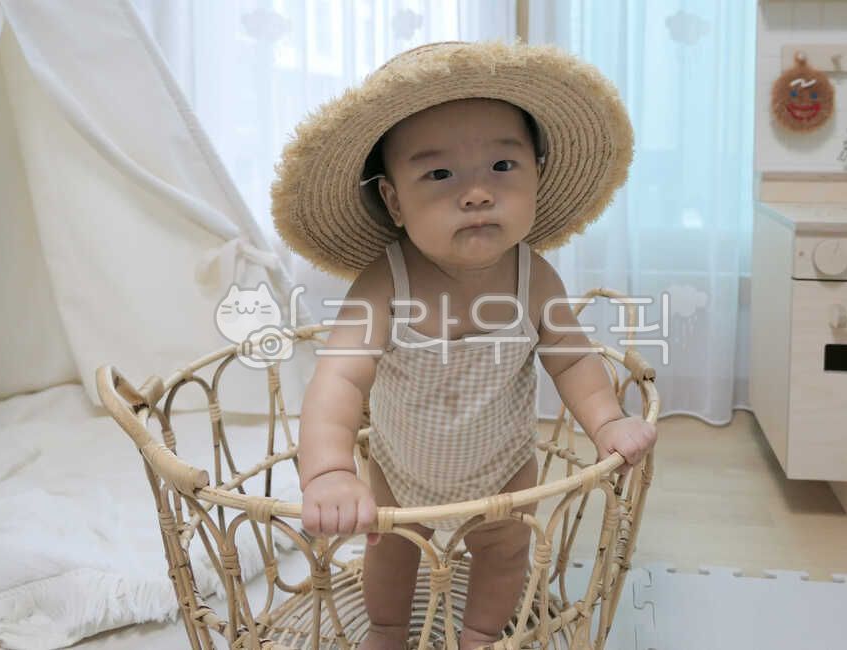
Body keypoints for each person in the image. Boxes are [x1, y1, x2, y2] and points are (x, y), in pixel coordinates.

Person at [271, 39, 657, 650]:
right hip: (400, 472)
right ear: (394, 201)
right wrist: (329, 472)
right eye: (439, 174)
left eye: (503, 167)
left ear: (538, 176)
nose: (476, 193)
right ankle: (389, 631)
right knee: (391, 554)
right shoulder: (386, 281)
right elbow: (338, 379)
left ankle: (479, 635)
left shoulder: (535, 278)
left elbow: (573, 358)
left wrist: (606, 421)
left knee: (505, 554)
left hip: (503, 470)